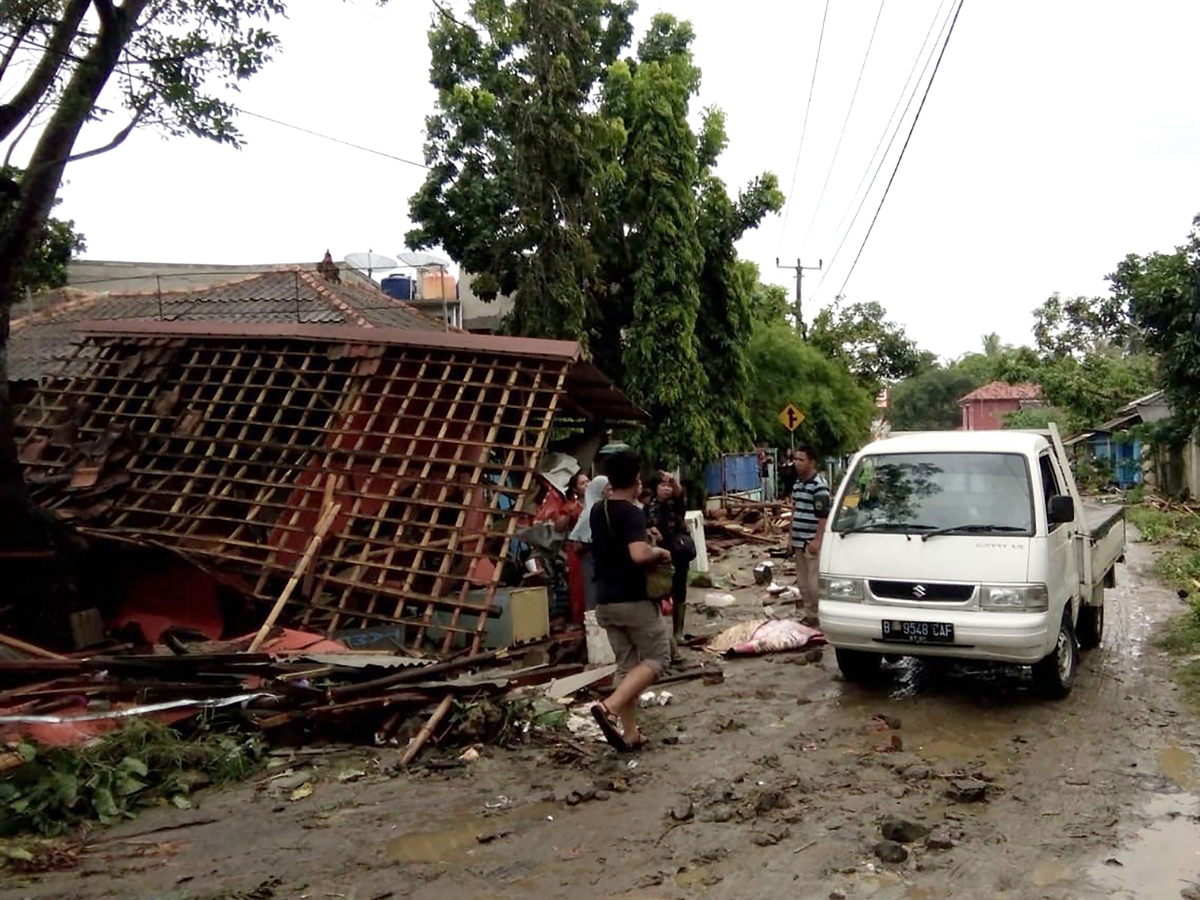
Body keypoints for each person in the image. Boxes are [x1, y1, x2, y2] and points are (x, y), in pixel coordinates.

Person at [590, 450, 672, 751]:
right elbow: (638, 554)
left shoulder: (599, 511)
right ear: (636, 480)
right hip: (632, 600)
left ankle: (630, 734)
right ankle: (608, 707)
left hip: (605, 601)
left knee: (626, 667)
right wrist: (659, 552)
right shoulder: (632, 513)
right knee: (658, 658)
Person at [646, 471, 692, 650]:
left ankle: (678, 631)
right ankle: (660, 631)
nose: (666, 489)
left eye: (668, 486)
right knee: (658, 589)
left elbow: (680, 493)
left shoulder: (677, 503)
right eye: (662, 485)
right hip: (658, 552)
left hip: (679, 551)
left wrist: (673, 481)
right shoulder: (650, 505)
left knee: (680, 589)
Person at [789, 444, 831, 626]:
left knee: (815, 585)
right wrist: (789, 537)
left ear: (811, 462)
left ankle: (824, 618)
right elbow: (795, 510)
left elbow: (823, 516)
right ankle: (811, 616)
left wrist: (818, 540)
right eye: (795, 459)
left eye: (801, 460)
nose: (796, 463)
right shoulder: (798, 485)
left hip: (811, 542)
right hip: (798, 541)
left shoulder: (819, 486)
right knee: (803, 584)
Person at [567, 475, 609, 613]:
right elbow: (578, 542)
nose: (608, 492)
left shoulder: (605, 508)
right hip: (591, 559)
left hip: (604, 560)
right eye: (605, 489)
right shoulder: (590, 511)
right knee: (592, 593)